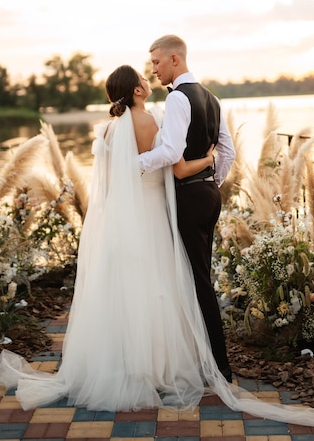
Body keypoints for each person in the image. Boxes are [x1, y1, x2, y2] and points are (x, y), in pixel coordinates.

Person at [0, 65, 314, 426]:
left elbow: (108, 183)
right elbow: (174, 167)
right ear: (135, 91)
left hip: (120, 216)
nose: (149, 81)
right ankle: (157, 367)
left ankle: (118, 363)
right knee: (158, 284)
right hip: (151, 212)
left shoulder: (105, 129)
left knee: (123, 285)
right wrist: (211, 160)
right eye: (143, 79)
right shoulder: (149, 121)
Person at [138, 35, 235, 381]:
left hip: (189, 197)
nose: (153, 70)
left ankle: (219, 366)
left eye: (156, 63)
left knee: (198, 281)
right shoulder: (211, 97)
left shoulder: (179, 98)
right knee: (200, 277)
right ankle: (206, 358)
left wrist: (132, 164)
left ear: (175, 59)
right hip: (208, 195)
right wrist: (212, 181)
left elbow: (170, 152)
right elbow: (229, 152)